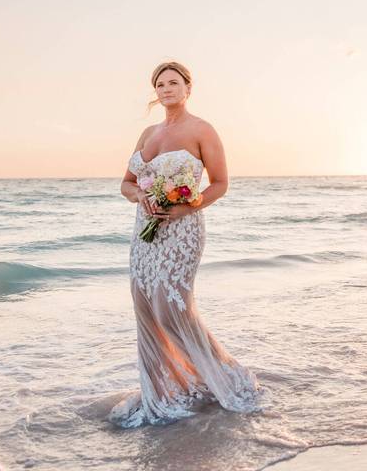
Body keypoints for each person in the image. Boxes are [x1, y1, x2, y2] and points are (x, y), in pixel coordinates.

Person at [108, 60, 263, 427]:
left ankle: (220, 377)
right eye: (160, 84)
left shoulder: (202, 129)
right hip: (145, 231)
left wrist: (188, 204)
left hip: (182, 229)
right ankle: (162, 391)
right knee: (145, 305)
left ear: (187, 88)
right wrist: (140, 197)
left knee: (170, 307)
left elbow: (220, 183)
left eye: (173, 83)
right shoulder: (147, 133)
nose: (166, 89)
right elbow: (126, 183)